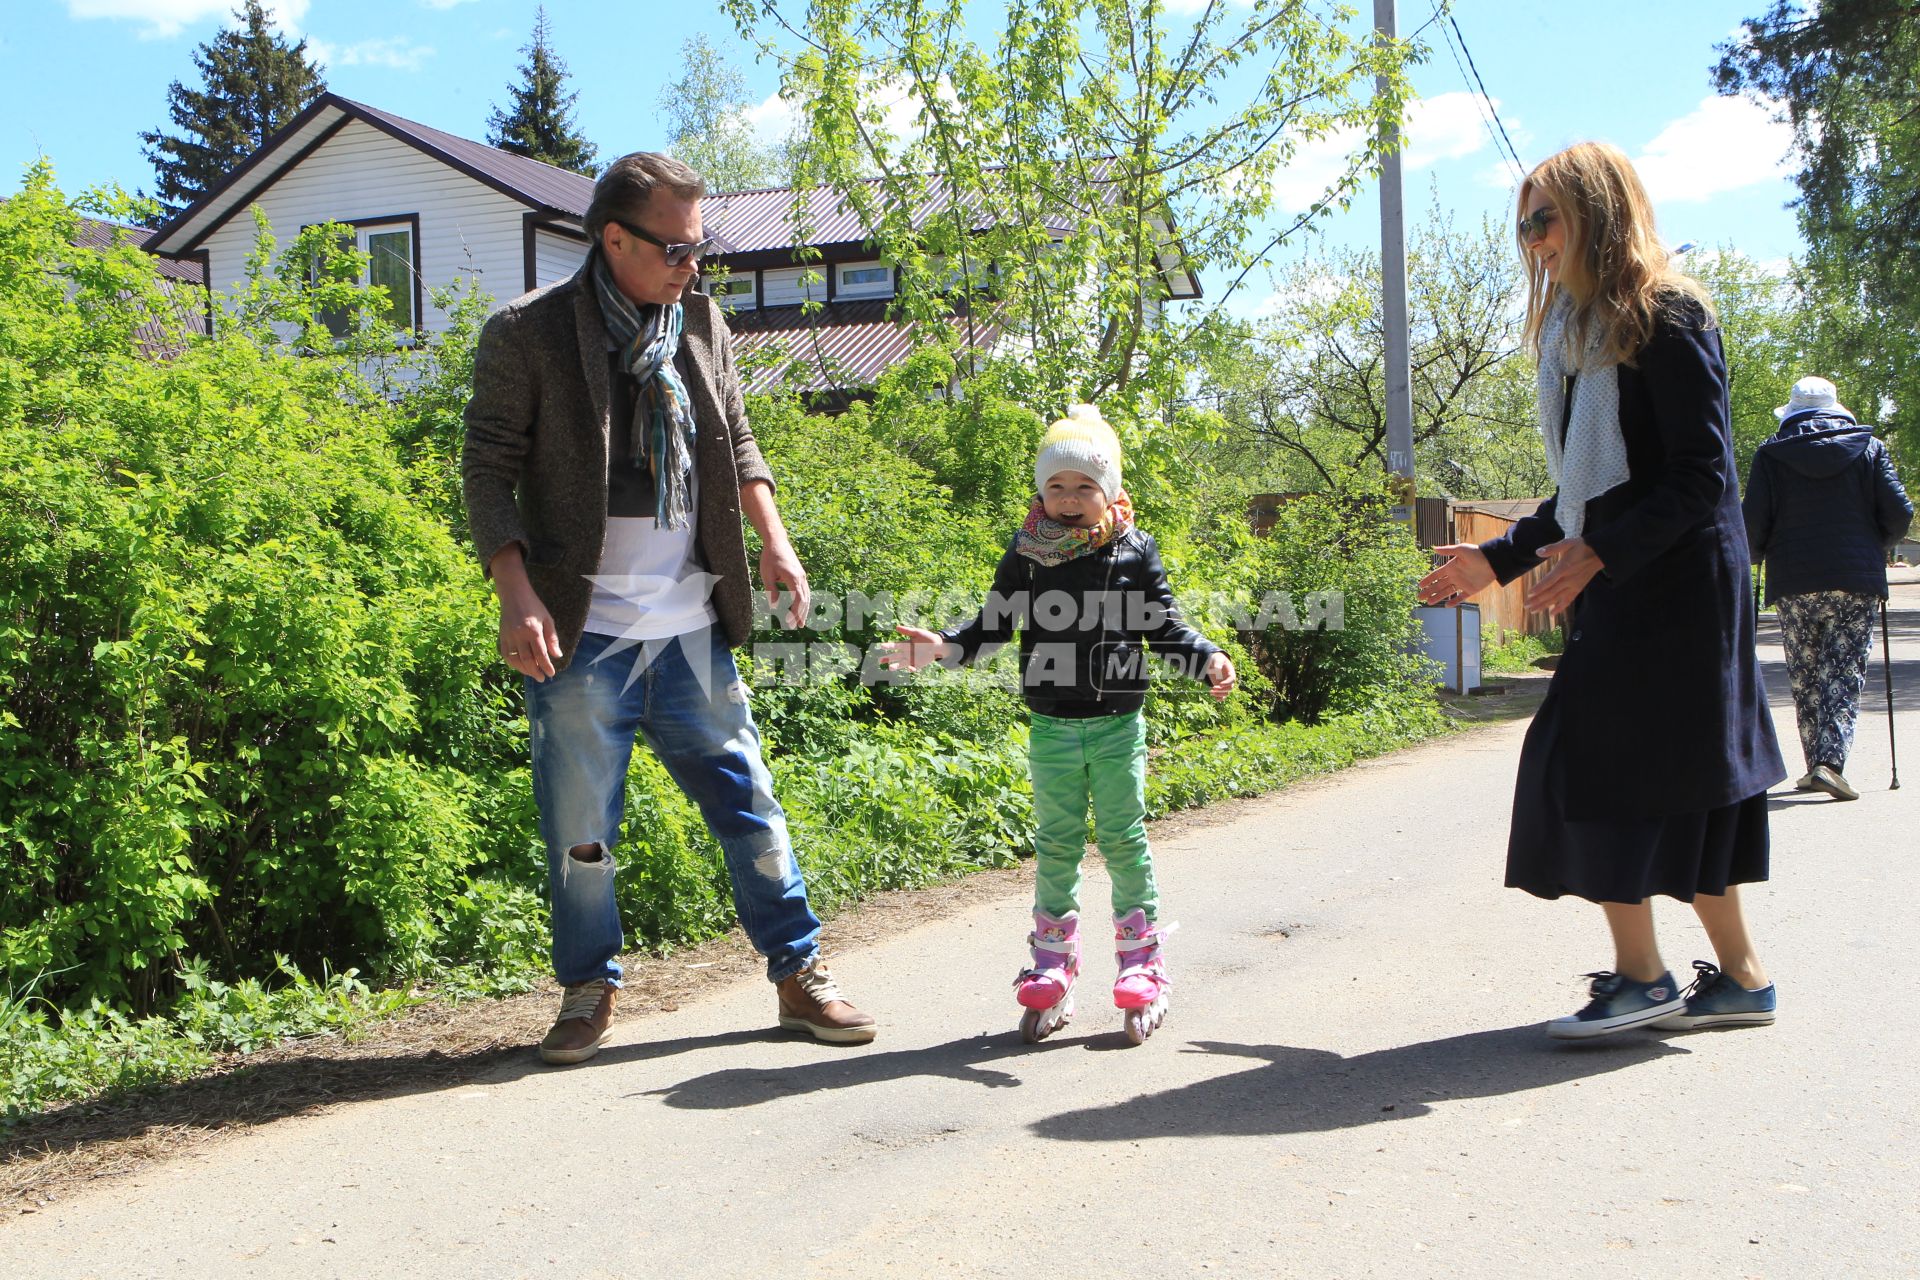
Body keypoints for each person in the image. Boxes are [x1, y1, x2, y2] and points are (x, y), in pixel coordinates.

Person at [462, 152, 875, 1064]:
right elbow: (487, 471)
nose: (694, 268)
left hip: (693, 627)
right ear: (614, 239)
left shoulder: (700, 321)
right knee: (581, 836)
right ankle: (587, 991)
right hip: (585, 636)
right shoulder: (527, 333)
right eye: (677, 251)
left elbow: (738, 435)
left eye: (701, 252)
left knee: (754, 811)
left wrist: (773, 536)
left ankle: (798, 975)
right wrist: (515, 592)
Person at [1417, 141, 1786, 1040]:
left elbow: (1701, 475)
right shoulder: (1580, 331)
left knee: (1597, 762)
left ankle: (1644, 978)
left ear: (1598, 210)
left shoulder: (1667, 314)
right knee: (1681, 779)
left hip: (1680, 589)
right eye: (1523, 224)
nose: (1532, 239)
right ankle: (1739, 979)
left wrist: (1600, 552)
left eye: (1545, 219)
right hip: (1632, 576)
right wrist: (1498, 560)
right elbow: (1585, 497)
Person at [878, 406, 1235, 1044]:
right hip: (1051, 723)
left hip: (1117, 720)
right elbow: (992, 626)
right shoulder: (1025, 555)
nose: (1069, 500)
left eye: (1084, 488)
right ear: (1041, 491)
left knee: (1124, 838)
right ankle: (1053, 960)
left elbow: (1162, 625)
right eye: (1056, 487)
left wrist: (1204, 657)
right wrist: (944, 648)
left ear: (1111, 493)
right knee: (1057, 843)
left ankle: (1141, 960)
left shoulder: (1134, 552)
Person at [1743, 375, 1913, 801]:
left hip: (1794, 580)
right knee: (1843, 668)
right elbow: (1899, 512)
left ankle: (1816, 764)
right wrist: (1878, 544)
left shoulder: (1772, 454)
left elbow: (1753, 523)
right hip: (1855, 580)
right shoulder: (1868, 449)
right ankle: (1829, 763)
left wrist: (1758, 553)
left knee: (1806, 672)